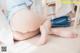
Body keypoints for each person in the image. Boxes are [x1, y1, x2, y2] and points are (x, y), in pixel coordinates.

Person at [8, 0, 77, 45]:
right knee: (47, 20)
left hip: (14, 24)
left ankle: (47, 30)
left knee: (17, 36)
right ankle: (49, 30)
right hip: (24, 16)